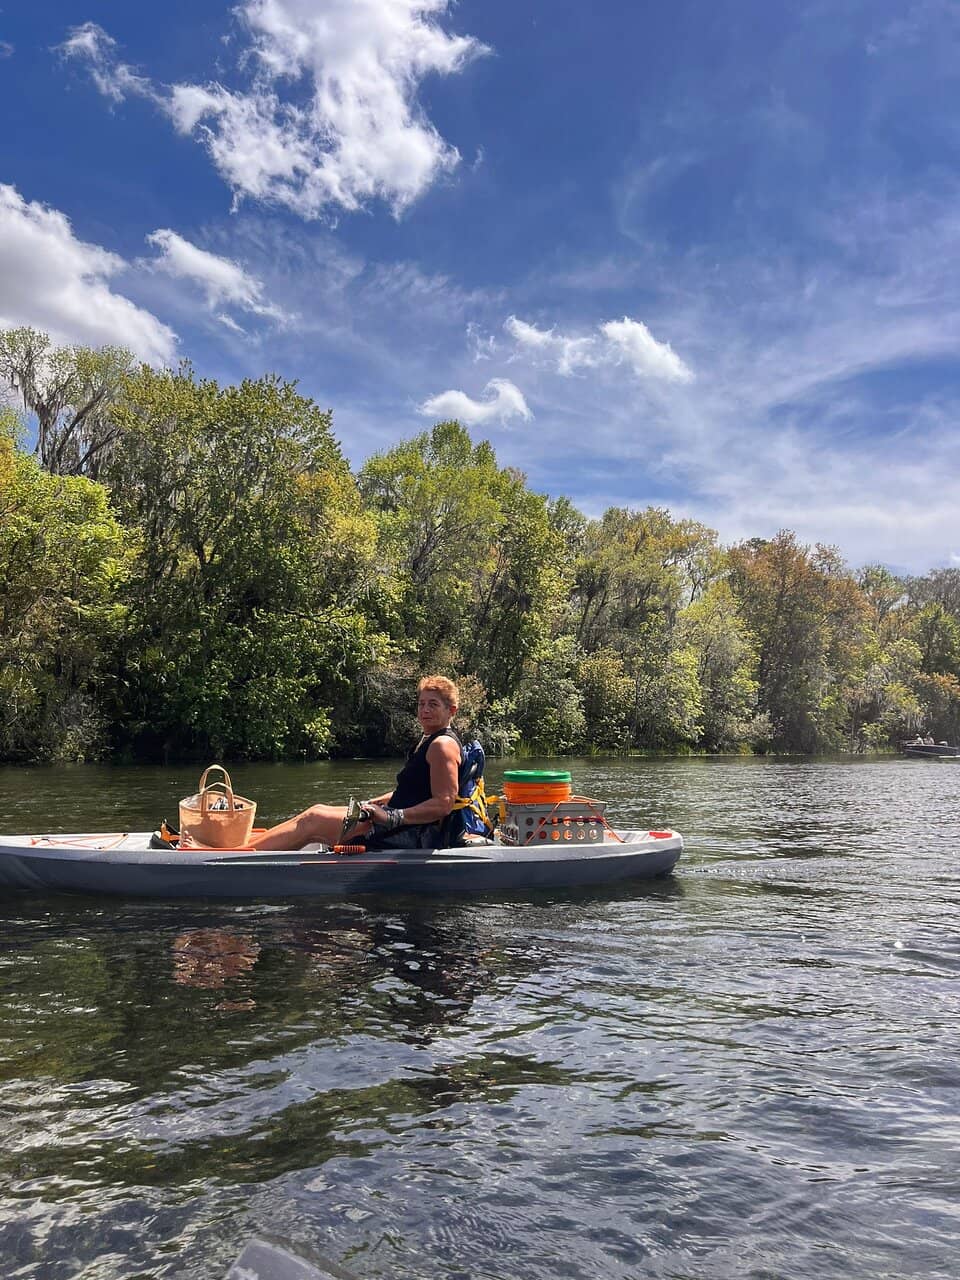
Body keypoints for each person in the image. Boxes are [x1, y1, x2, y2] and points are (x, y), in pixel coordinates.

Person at [249, 676, 462, 851]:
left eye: (433, 705)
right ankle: (245, 846)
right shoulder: (430, 740)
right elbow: (416, 790)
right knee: (317, 809)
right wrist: (379, 801)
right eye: (421, 704)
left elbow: (443, 803)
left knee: (314, 819)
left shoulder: (442, 745)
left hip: (410, 833)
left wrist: (392, 817)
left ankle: (239, 855)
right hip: (398, 823)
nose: (424, 710)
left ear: (451, 711)